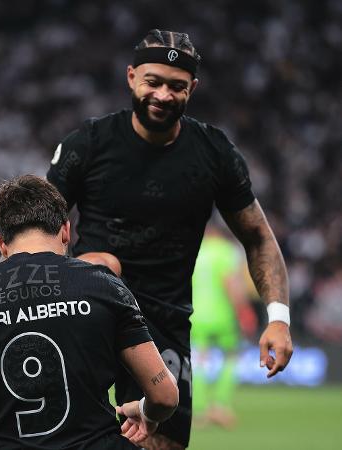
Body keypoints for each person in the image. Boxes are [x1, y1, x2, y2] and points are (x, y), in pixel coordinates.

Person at [46, 29, 293, 450]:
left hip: (164, 322)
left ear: (192, 89)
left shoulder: (213, 153)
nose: (162, 94)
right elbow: (41, 229)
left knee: (162, 445)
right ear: (130, 78)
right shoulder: (88, 144)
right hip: (88, 308)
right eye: (153, 82)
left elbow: (257, 237)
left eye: (176, 86)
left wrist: (279, 318)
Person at [0, 175, 179, 449]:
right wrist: (146, 412)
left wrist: (2, 432)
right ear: (65, 231)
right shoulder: (103, 285)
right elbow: (164, 396)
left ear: (1, 243)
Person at [191, 223, 256, 429]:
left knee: (198, 361)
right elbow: (231, 283)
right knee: (231, 356)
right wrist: (244, 311)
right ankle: (220, 406)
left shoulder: (194, 250)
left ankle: (199, 410)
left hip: (196, 315)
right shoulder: (227, 252)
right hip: (222, 315)